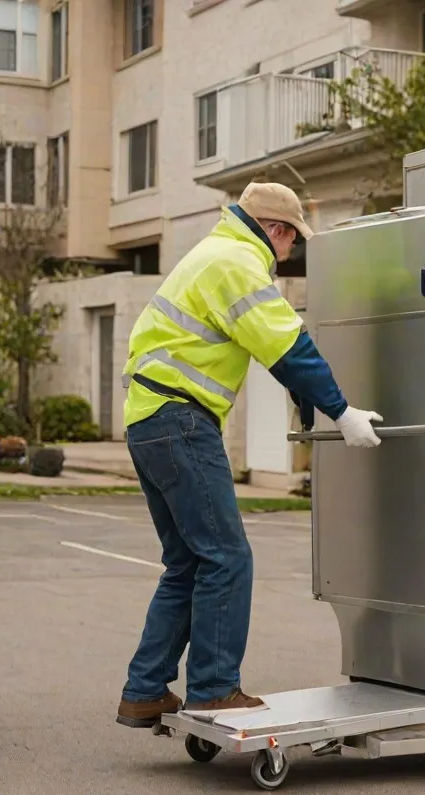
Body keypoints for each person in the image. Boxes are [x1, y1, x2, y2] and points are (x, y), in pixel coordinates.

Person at [116, 182, 382, 728]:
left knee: (188, 562)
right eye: (292, 241)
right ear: (277, 230)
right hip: (182, 421)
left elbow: (269, 349)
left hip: (149, 419)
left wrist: (307, 401)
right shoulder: (239, 262)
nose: (290, 254)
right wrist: (342, 410)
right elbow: (290, 348)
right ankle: (214, 689)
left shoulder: (210, 253)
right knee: (226, 557)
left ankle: (145, 690)